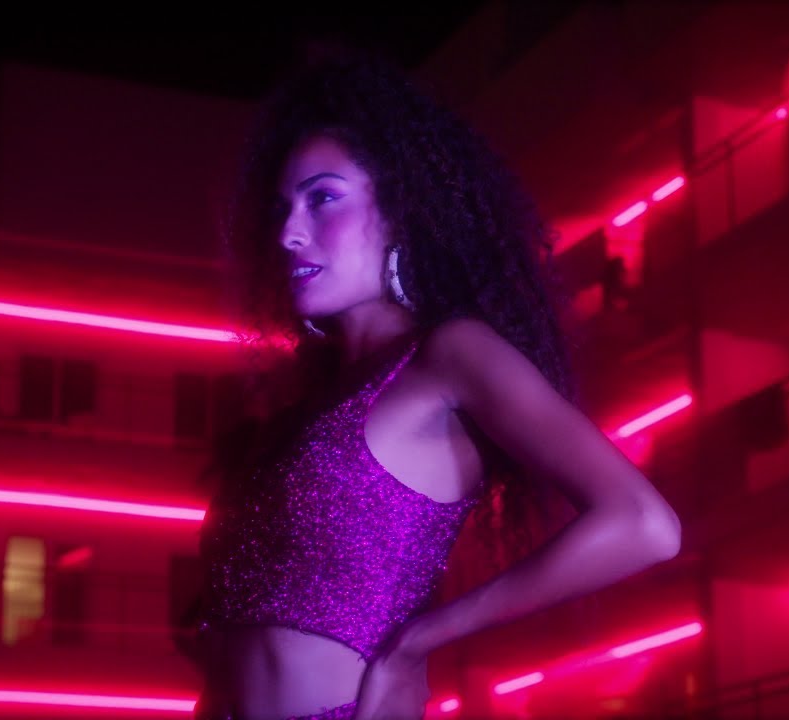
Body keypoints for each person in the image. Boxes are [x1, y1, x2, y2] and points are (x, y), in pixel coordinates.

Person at [188, 47, 682, 720]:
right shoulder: (292, 416)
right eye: (281, 209)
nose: (289, 234)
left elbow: (644, 524)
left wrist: (421, 640)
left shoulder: (448, 356)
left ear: (400, 211)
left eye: (322, 199)